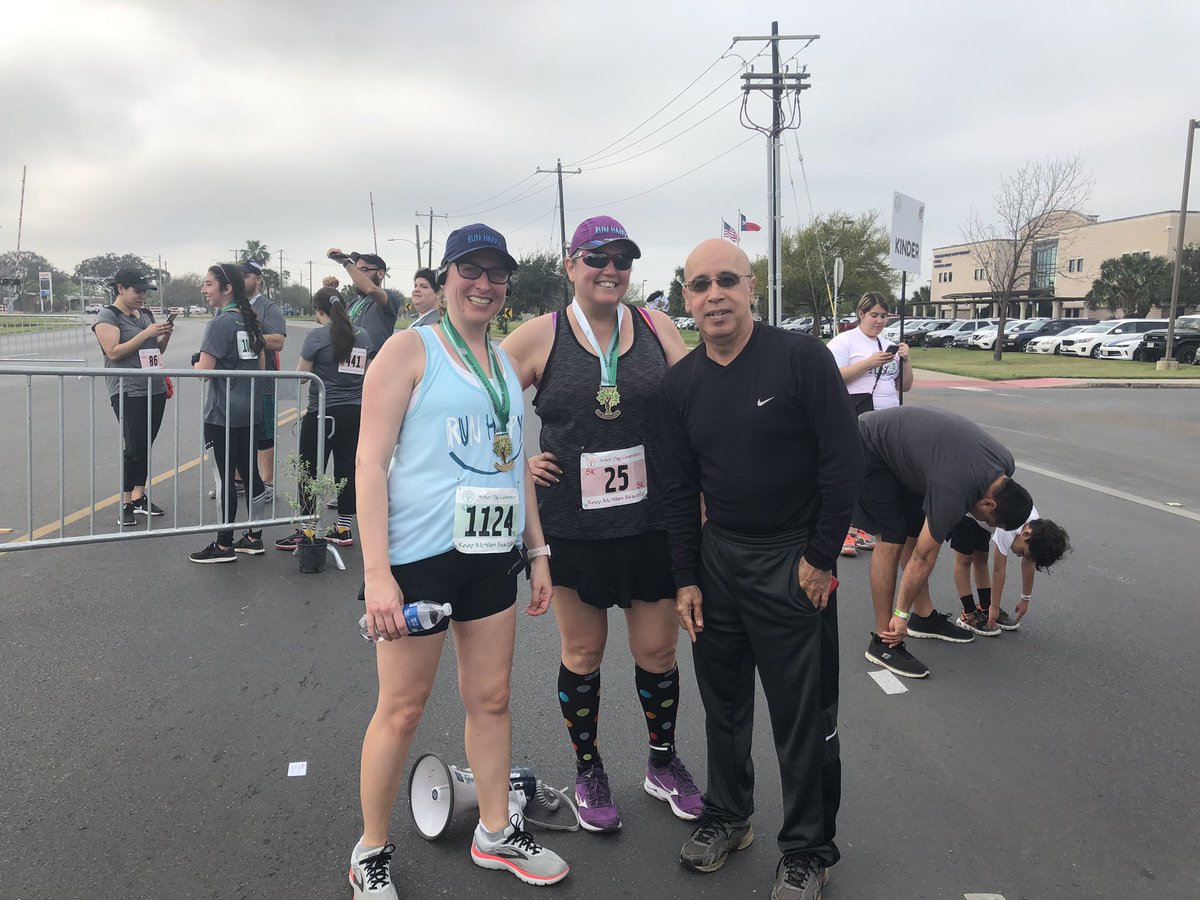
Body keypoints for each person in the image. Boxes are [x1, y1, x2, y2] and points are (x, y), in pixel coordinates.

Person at [349, 223, 568, 897]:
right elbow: (368, 463)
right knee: (403, 709)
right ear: (444, 279)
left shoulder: (503, 362)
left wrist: (537, 549)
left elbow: (515, 467)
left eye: (497, 274)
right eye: (469, 271)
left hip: (488, 556)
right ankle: (371, 850)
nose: (484, 284)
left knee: (492, 698)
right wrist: (377, 575)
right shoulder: (408, 349)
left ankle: (495, 831)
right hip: (418, 560)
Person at [659, 238, 862, 899]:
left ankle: (808, 849)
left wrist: (821, 556)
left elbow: (843, 462)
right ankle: (728, 815)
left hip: (792, 559)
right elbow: (677, 489)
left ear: (750, 287)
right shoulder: (681, 384)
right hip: (720, 559)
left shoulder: (800, 360)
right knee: (722, 703)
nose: (713, 293)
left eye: (726, 280)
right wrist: (686, 576)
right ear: (685, 299)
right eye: (699, 285)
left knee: (801, 715)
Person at [500, 215, 697, 834]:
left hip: (651, 521)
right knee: (583, 653)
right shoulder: (540, 336)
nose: (610, 269)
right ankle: (588, 770)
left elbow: (699, 395)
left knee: (658, 651)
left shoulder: (657, 325)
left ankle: (662, 763)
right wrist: (515, 460)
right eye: (596, 257)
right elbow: (481, 402)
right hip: (573, 526)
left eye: (622, 260)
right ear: (570, 264)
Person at [855, 405, 1034, 678]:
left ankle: (923, 618)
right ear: (988, 503)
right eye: (991, 521)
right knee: (891, 538)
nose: (987, 526)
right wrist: (899, 615)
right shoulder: (955, 488)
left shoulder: (1004, 466)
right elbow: (923, 557)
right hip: (870, 447)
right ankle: (884, 641)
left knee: (914, 531)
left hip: (911, 458)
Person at [274, 287, 371, 550]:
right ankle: (343, 527)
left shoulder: (316, 337)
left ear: (319, 311)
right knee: (346, 468)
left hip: (323, 413)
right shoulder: (362, 335)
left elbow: (303, 376)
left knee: (309, 470)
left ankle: (307, 529)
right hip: (354, 412)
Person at [188, 264, 268, 563]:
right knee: (251, 474)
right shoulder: (251, 322)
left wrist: (195, 362)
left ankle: (223, 545)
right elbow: (260, 369)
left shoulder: (220, 323)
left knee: (224, 479)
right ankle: (254, 537)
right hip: (250, 410)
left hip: (222, 413)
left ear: (227, 288)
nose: (203, 290)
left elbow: (203, 374)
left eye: (208, 284)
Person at [826, 292, 912, 558]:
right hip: (859, 416)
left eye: (884, 316)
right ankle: (845, 531)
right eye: (874, 315)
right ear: (860, 314)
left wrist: (906, 360)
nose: (879, 321)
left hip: (890, 419)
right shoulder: (845, 342)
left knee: (880, 475)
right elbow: (830, 377)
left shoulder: (889, 345)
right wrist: (867, 364)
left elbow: (904, 386)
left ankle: (865, 527)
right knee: (856, 472)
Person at [91, 268, 173, 526]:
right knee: (133, 445)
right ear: (120, 289)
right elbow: (113, 352)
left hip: (155, 386)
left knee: (145, 442)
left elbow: (154, 351)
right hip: (128, 390)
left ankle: (140, 495)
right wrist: (146, 333)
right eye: (137, 291)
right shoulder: (108, 316)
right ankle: (126, 502)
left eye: (144, 292)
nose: (142, 297)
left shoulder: (146, 314)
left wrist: (163, 337)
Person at [982, 509, 1071, 631]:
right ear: (1026, 535)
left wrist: (1025, 598)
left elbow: (1028, 565)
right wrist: (995, 606)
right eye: (1023, 552)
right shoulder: (1008, 528)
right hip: (971, 513)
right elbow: (999, 569)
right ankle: (971, 612)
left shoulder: (1035, 527)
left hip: (987, 518)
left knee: (980, 557)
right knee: (968, 558)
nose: (1019, 556)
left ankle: (984, 606)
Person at [241, 260, 287, 493]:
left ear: (258, 279)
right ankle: (238, 480)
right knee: (236, 431)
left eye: (246, 275)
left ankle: (266, 483)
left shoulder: (268, 308)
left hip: (262, 382)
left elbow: (278, 341)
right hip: (235, 382)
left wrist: (248, 336)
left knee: (264, 434)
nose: (241, 280)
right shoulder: (228, 306)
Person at [327, 249, 402, 356]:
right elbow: (328, 322)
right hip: (348, 365)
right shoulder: (353, 303)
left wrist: (345, 262)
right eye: (356, 270)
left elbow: (371, 289)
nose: (356, 275)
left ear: (380, 274)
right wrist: (329, 291)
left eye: (363, 269)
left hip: (374, 365)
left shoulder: (389, 297)